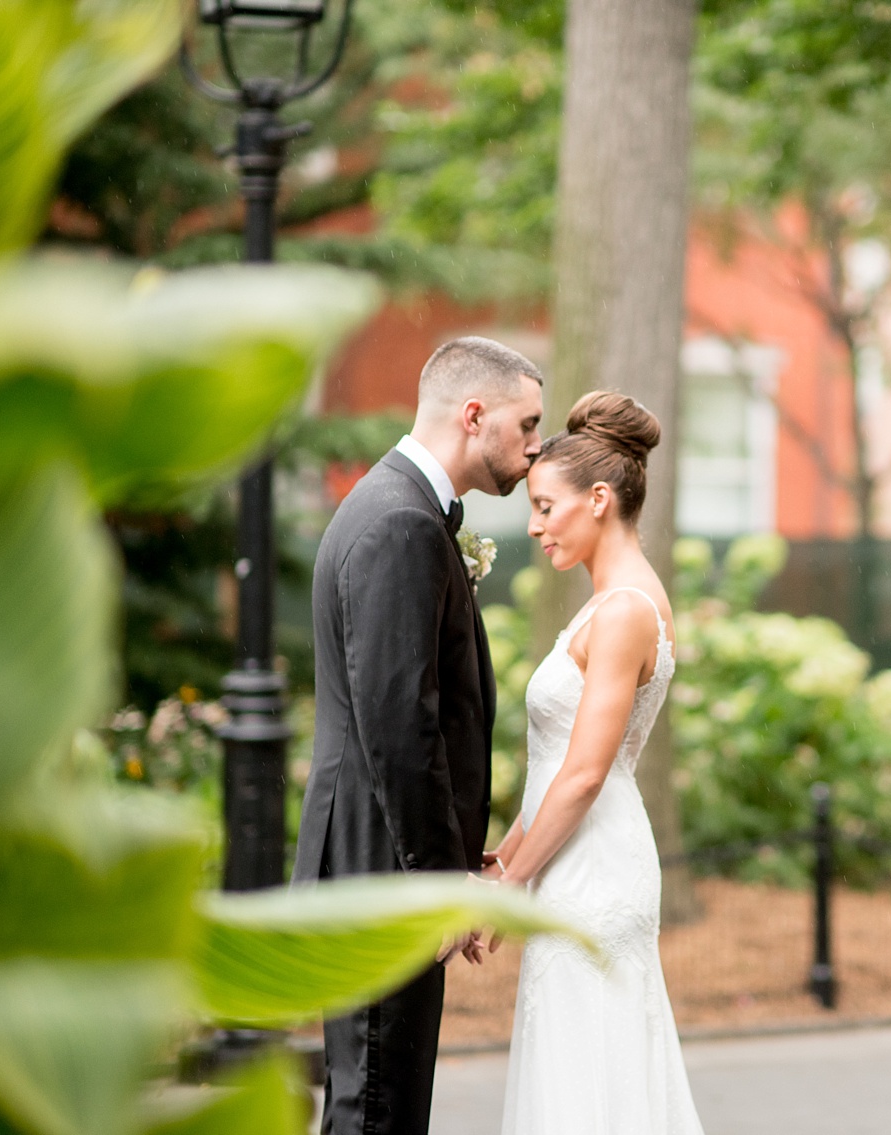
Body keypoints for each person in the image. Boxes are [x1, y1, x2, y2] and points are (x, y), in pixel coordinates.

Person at [293, 336, 544, 1135]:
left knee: (379, 1102)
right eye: (528, 423)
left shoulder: (401, 509)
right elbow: (402, 729)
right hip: (383, 874)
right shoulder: (399, 522)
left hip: (381, 863)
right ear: (474, 416)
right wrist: (441, 883)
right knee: (375, 1110)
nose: (537, 448)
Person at [484, 391, 704, 1135]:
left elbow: (583, 775)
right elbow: (561, 765)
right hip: (574, 855)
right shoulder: (614, 601)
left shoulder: (623, 612)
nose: (535, 524)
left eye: (547, 506)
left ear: (600, 499)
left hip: (594, 870)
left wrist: (509, 888)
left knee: (590, 1084)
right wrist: (505, 858)